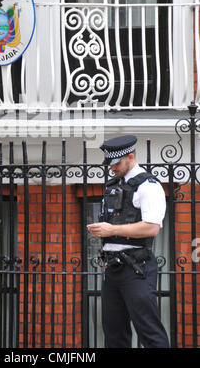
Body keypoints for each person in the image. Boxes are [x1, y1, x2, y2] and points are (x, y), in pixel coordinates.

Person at [87, 135, 170, 348]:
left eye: (115, 163)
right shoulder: (114, 184)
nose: (112, 168)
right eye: (110, 164)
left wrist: (112, 229)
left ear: (130, 157)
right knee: (114, 335)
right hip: (112, 268)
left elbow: (152, 227)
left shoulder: (148, 186)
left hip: (136, 268)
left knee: (149, 332)